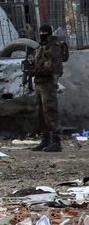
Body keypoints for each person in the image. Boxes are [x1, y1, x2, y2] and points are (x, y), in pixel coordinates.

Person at [29, 24, 63, 152]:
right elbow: (39, 63)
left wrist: (35, 70)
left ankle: (56, 142)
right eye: (41, 32)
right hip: (39, 82)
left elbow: (51, 67)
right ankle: (45, 141)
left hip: (48, 83)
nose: (42, 34)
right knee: (41, 113)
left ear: (49, 33)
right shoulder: (41, 47)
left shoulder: (53, 47)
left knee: (50, 112)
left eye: (44, 32)